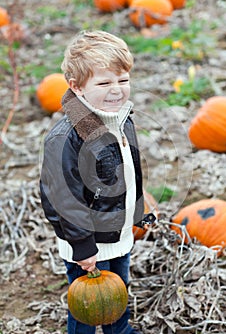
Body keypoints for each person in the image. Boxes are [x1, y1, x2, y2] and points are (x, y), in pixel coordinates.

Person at [40, 30, 155, 334]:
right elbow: (63, 199)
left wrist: (140, 206)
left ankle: (120, 329)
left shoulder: (121, 119)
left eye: (123, 80)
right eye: (104, 83)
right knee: (89, 305)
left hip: (119, 234)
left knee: (119, 291)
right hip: (88, 243)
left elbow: (126, 172)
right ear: (76, 87)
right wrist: (82, 245)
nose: (117, 90)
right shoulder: (66, 138)